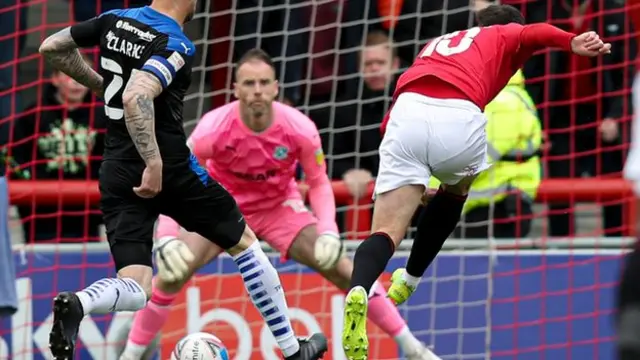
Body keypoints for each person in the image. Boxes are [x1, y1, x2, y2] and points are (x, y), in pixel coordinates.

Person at [38, 2, 327, 359]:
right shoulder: (176, 43)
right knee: (245, 243)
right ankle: (292, 349)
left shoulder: (113, 20)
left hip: (115, 167)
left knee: (137, 285)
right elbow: (135, 95)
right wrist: (154, 161)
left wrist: (103, 87)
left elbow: (52, 47)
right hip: (169, 167)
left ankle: (79, 303)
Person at [118, 48, 440, 360]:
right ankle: (129, 356)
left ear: (275, 88)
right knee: (172, 274)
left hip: (279, 208)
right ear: (235, 89)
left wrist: (328, 231)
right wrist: (167, 236)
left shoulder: (299, 128)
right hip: (221, 209)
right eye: (248, 83)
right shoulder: (211, 129)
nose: (257, 91)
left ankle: (413, 349)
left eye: (263, 83)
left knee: (344, 268)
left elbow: (318, 182)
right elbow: (177, 178)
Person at [340, 4, 612, 360]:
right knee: (456, 191)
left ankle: (359, 287)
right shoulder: (505, 34)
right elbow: (534, 33)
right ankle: (411, 277)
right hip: (459, 113)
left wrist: (410, 176)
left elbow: (391, 117)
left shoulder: (440, 42)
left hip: (404, 114)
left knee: (386, 231)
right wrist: (572, 40)